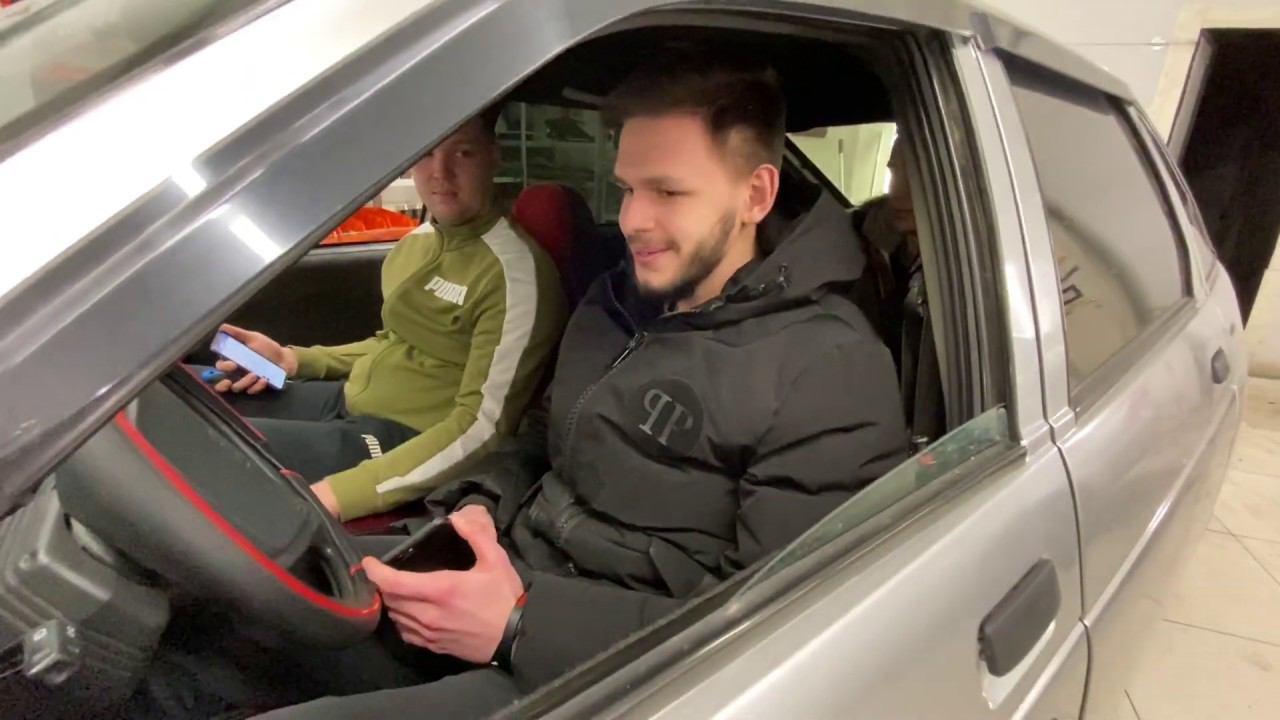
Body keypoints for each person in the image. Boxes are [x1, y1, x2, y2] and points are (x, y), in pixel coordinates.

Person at [264, 52, 907, 718]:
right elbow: (543, 433)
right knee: (257, 599)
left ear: (756, 195)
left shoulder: (830, 370)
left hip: (610, 670)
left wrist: (520, 625)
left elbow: (778, 627)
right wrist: (480, 501)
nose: (633, 220)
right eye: (627, 189)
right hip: (507, 567)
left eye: (668, 192)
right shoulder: (615, 300)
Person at [211, 111, 567, 521]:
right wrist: (293, 360)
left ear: (493, 157)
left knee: (213, 447)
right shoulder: (417, 243)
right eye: (427, 153)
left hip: (406, 435)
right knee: (202, 402)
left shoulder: (515, 276)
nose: (440, 173)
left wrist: (340, 494)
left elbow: (482, 428)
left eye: (463, 153)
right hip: (350, 398)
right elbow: (393, 342)